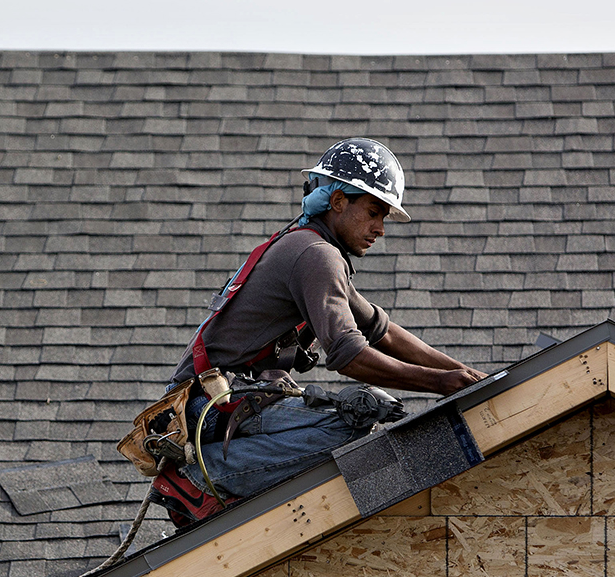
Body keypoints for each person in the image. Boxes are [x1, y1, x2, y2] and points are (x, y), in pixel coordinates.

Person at [149, 138, 487, 524]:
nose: (379, 228)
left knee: (354, 424)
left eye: (384, 217)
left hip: (221, 404)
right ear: (339, 201)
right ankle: (197, 480)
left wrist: (464, 375)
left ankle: (230, 480)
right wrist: (441, 383)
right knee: (354, 420)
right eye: (374, 212)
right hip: (207, 408)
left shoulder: (310, 247)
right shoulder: (316, 255)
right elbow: (349, 356)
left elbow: (382, 331)